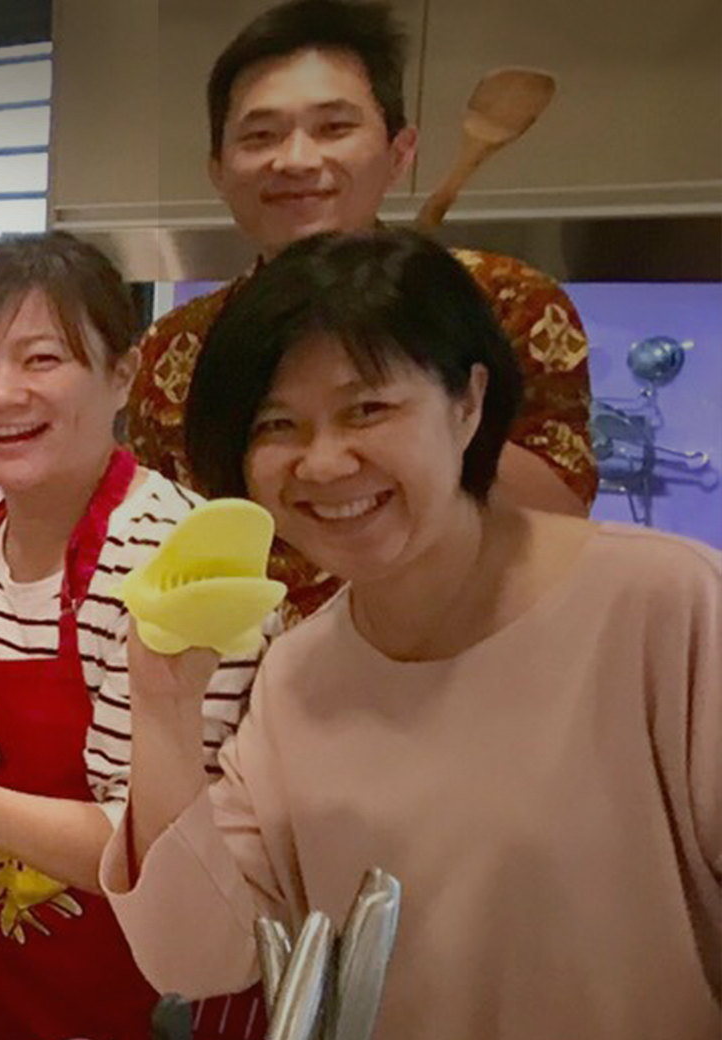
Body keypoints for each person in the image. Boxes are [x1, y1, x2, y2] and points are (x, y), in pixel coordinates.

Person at [103, 229, 722, 1040]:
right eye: (277, 425)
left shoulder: (668, 607)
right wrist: (162, 704)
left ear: (467, 404)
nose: (322, 464)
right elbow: (198, 956)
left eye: (369, 408)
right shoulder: (297, 675)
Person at [0, 234, 262, 1040]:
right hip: (19, 993)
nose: (1, 395)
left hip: (167, 1000)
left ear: (123, 373)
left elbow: (152, 852)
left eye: (40, 360)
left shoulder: (176, 558)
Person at [123, 0, 594, 621]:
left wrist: (418, 366)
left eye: (333, 127)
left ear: (400, 151)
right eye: (260, 135)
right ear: (218, 169)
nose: (294, 159)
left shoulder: (507, 303)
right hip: (241, 686)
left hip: (451, 664)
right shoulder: (176, 348)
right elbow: (163, 537)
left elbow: (558, 513)